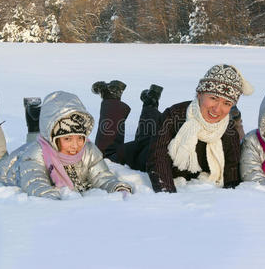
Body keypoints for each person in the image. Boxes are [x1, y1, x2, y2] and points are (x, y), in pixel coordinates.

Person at [92, 64, 253, 193]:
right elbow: (158, 158)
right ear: (199, 94)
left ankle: (150, 101)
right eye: (213, 98)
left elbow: (232, 166)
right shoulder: (175, 114)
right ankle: (111, 97)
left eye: (227, 103)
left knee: (151, 132)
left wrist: (232, 195)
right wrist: (167, 195)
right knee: (107, 154)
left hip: (156, 138)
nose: (217, 109)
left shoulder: (228, 128)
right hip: (144, 154)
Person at [0, 90, 132, 200]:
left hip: (42, 147)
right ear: (54, 137)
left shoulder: (88, 150)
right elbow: (34, 180)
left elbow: (101, 176)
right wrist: (48, 195)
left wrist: (115, 186)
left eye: (80, 138)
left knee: (38, 146)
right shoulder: (35, 154)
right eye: (68, 139)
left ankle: (34, 115)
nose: (75, 145)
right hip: (20, 165)